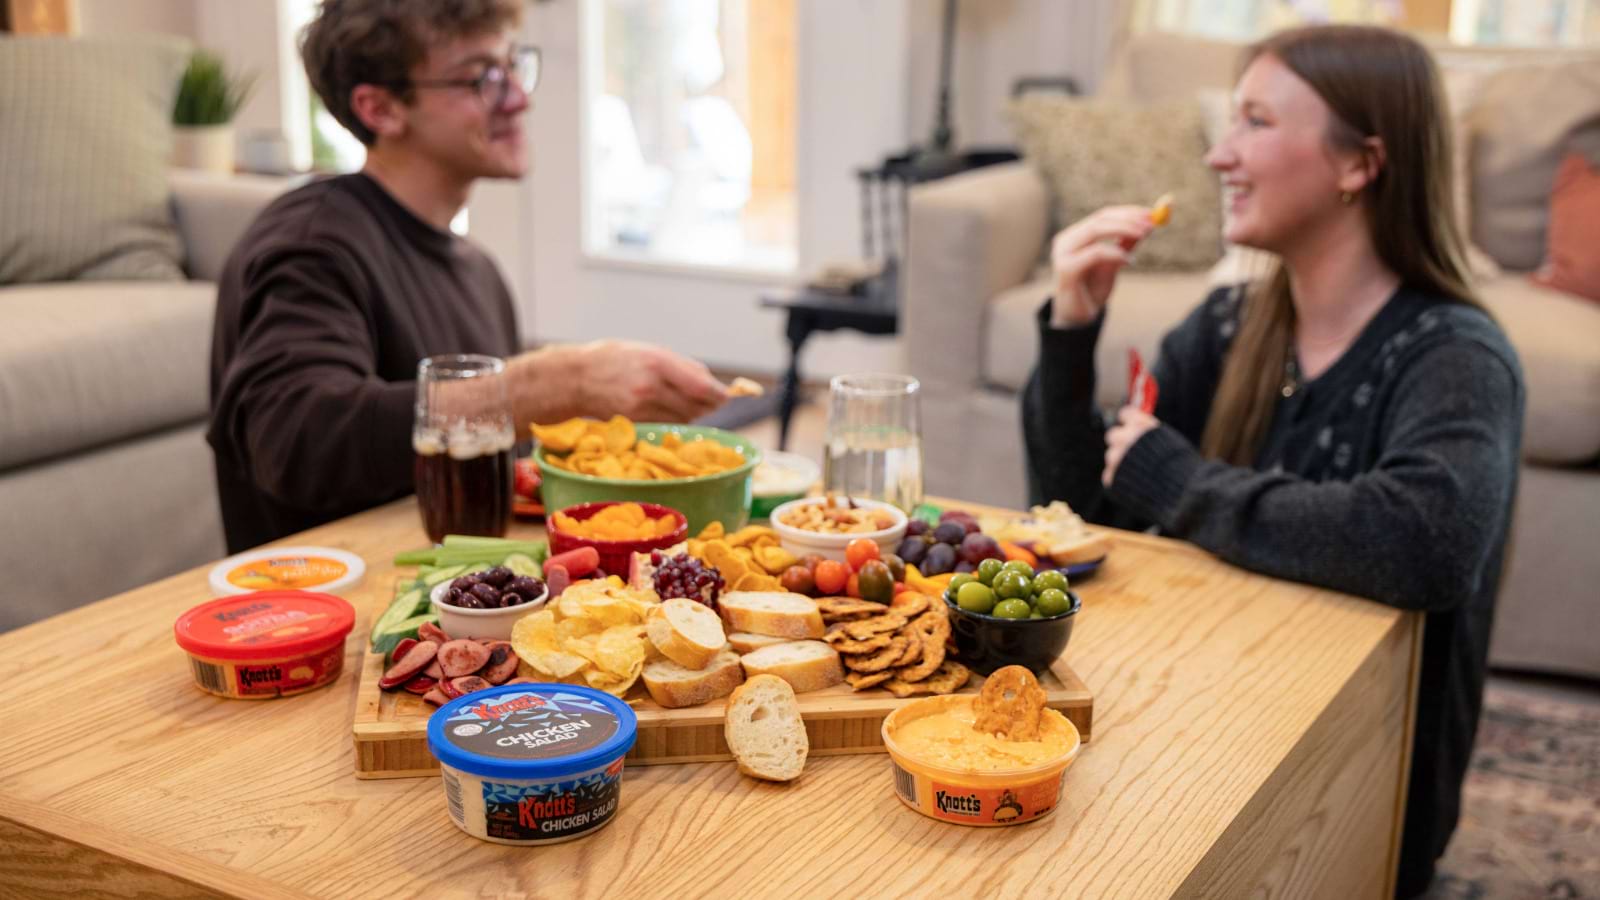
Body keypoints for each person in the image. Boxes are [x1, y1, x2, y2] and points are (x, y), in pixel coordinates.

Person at [1022, 26, 1523, 898]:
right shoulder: (1227, 326)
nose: (1220, 154)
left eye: (1254, 121)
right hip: (1217, 733)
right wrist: (1070, 329)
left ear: (1358, 164)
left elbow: (1426, 543)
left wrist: (1179, 480)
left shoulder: (1455, 357)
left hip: (1368, 796)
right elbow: (1081, 518)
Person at [209, 0, 731, 553]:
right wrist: (560, 383)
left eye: (513, 65)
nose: (519, 97)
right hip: (326, 612)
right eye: (483, 76)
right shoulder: (310, 246)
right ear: (380, 108)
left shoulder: (476, 269)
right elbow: (297, 441)